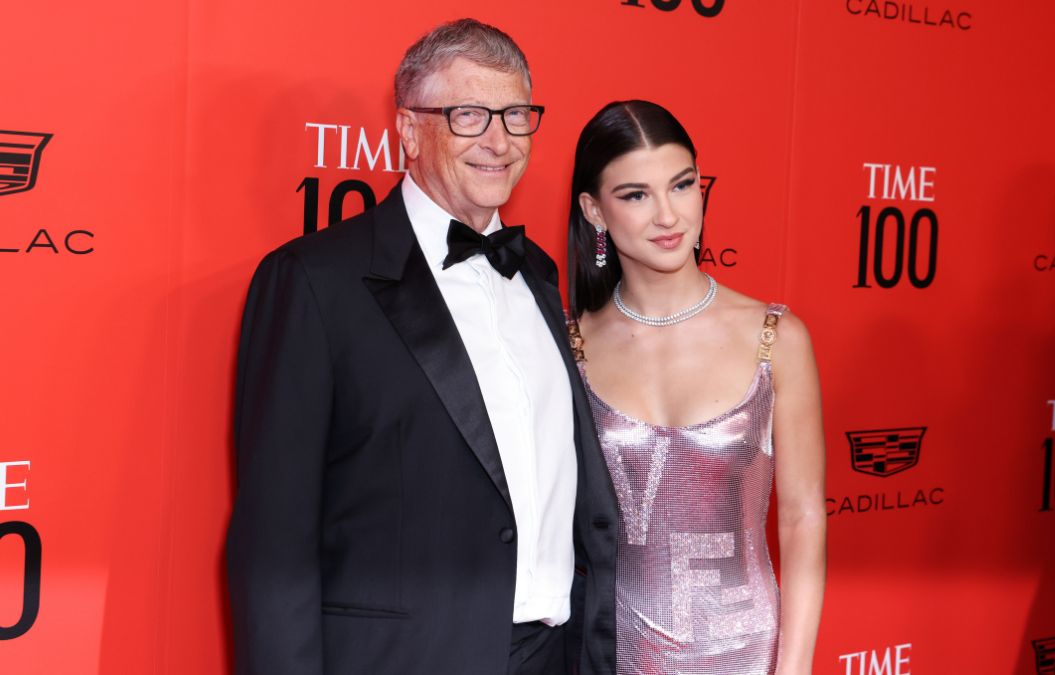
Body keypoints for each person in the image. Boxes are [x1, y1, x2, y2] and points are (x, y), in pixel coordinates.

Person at [227, 19, 618, 675]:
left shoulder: (540, 275)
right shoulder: (314, 282)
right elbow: (274, 541)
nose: (499, 140)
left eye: (515, 115)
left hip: (552, 655)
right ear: (408, 131)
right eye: (469, 115)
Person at [564, 100, 826, 675]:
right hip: (612, 655)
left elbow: (803, 516)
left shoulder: (775, 338)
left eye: (682, 185)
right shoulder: (570, 346)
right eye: (636, 195)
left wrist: (795, 667)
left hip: (748, 655)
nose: (668, 215)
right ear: (594, 211)